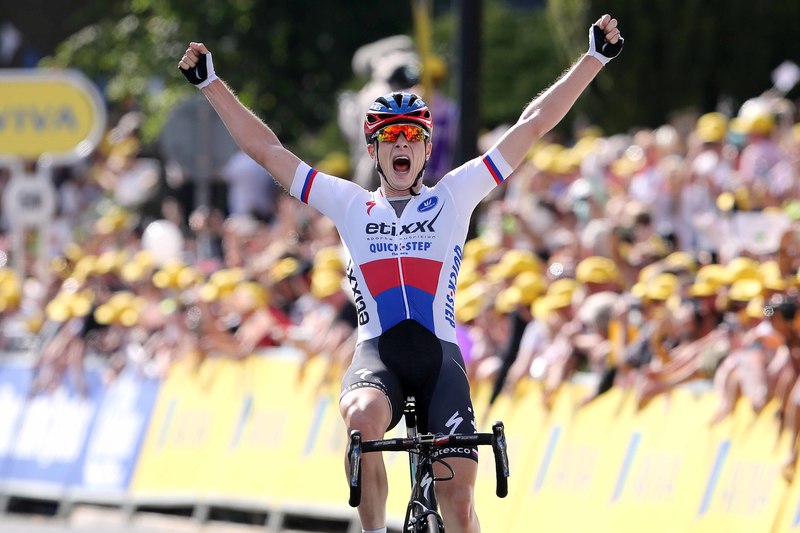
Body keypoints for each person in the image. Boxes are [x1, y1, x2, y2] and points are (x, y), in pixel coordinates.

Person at [177, 14, 623, 533]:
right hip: (378, 356)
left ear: (427, 148)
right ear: (374, 150)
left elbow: (533, 125)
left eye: (413, 136)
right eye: (390, 138)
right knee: (361, 420)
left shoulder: (455, 195)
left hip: (439, 358)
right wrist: (211, 83)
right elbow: (266, 151)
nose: (401, 145)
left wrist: (593, 59)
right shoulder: (348, 203)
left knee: (459, 503)